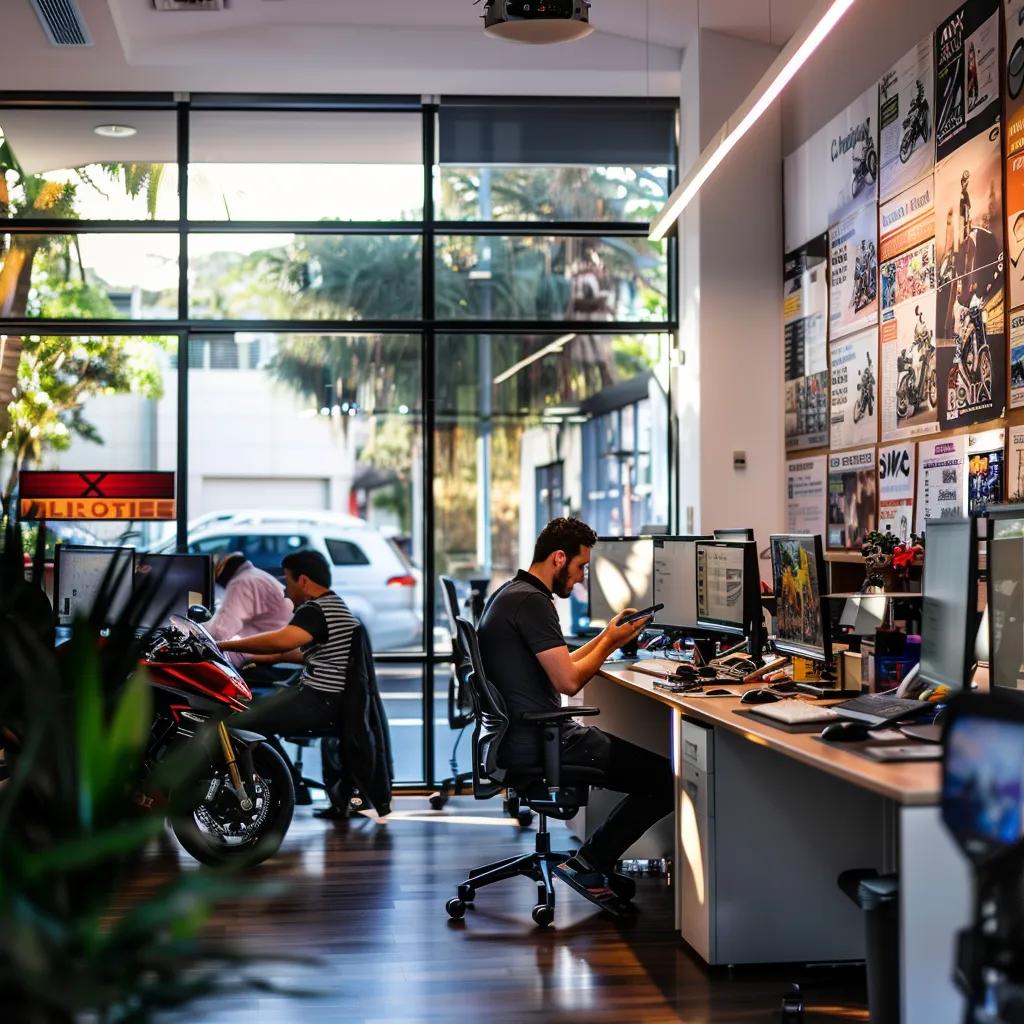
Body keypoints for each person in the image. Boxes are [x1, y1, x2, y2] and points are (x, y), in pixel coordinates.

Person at [477, 517, 674, 911]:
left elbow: (559, 665)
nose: (581, 578)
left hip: (525, 736)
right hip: (542, 740)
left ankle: (594, 860)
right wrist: (611, 644)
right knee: (665, 780)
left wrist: (607, 638)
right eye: (581, 567)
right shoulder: (533, 603)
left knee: (652, 772)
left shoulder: (513, 593)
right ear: (559, 557)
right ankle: (592, 861)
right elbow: (568, 682)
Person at [218, 549, 361, 817]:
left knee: (237, 719)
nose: (284, 591)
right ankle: (288, 784)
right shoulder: (334, 605)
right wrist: (250, 655)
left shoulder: (315, 610)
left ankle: (277, 791)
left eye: (287, 581)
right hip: (325, 698)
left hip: (319, 700)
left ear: (303, 581)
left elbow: (281, 640)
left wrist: (223, 644)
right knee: (251, 713)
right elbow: (293, 653)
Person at [206, 552, 294, 671]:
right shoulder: (255, 575)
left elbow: (220, 632)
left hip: (273, 656)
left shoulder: (242, 582)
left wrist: (199, 626)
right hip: (277, 645)